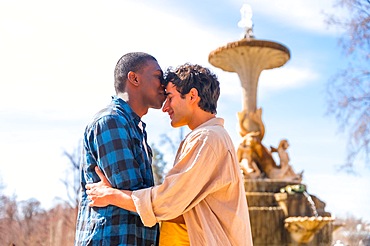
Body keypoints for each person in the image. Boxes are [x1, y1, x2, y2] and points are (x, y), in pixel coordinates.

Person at [86, 63, 254, 246]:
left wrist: (111, 195)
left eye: (170, 97)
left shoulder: (208, 139)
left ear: (192, 96)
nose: (165, 107)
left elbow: (170, 202)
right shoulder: (208, 137)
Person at [74, 52, 166, 246]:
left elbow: (139, 199)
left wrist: (114, 195)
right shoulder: (111, 121)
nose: (164, 84)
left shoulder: (135, 127)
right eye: (158, 76)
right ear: (134, 78)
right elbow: (138, 198)